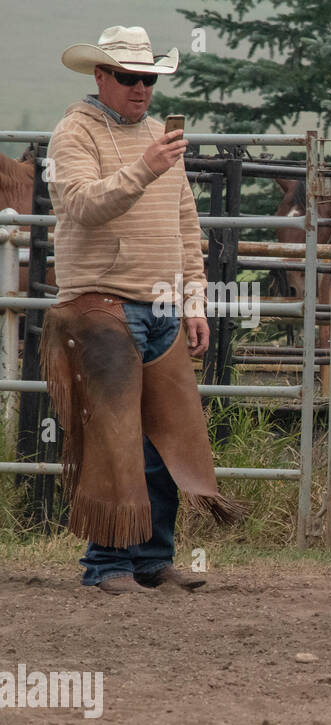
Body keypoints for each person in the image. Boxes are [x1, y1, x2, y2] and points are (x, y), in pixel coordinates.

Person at [44, 26, 236, 594]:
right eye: (129, 77)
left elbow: (185, 226)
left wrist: (194, 301)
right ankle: (107, 564)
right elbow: (81, 204)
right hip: (100, 304)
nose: (141, 87)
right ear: (101, 77)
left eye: (149, 78)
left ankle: (151, 558)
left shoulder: (159, 138)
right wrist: (146, 168)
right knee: (113, 438)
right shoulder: (73, 134)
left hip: (160, 305)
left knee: (163, 439)